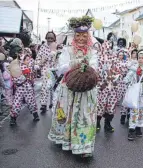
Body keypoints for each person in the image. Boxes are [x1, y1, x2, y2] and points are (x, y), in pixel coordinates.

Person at [48, 16, 98, 157]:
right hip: (69, 87)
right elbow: (61, 68)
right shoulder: (67, 50)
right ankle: (66, 140)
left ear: (88, 36)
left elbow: (95, 66)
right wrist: (73, 64)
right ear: (74, 36)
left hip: (85, 89)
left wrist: (88, 66)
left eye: (84, 35)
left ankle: (84, 146)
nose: (81, 38)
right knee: (67, 113)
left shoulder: (92, 51)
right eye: (78, 35)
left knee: (84, 116)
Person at [9, 43, 40, 126]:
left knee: (31, 101)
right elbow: (14, 75)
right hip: (19, 88)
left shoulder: (30, 64)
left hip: (28, 87)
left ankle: (35, 115)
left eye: (28, 59)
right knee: (16, 103)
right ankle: (13, 118)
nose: (28, 60)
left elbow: (32, 76)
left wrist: (31, 73)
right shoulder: (15, 65)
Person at [36, 31, 57, 113]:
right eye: (48, 38)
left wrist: (55, 55)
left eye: (52, 38)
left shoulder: (57, 46)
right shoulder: (43, 47)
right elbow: (38, 57)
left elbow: (60, 58)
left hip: (54, 70)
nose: (50, 39)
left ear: (54, 38)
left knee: (53, 87)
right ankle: (43, 104)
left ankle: (52, 103)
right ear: (46, 38)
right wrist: (38, 64)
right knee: (45, 86)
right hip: (45, 69)